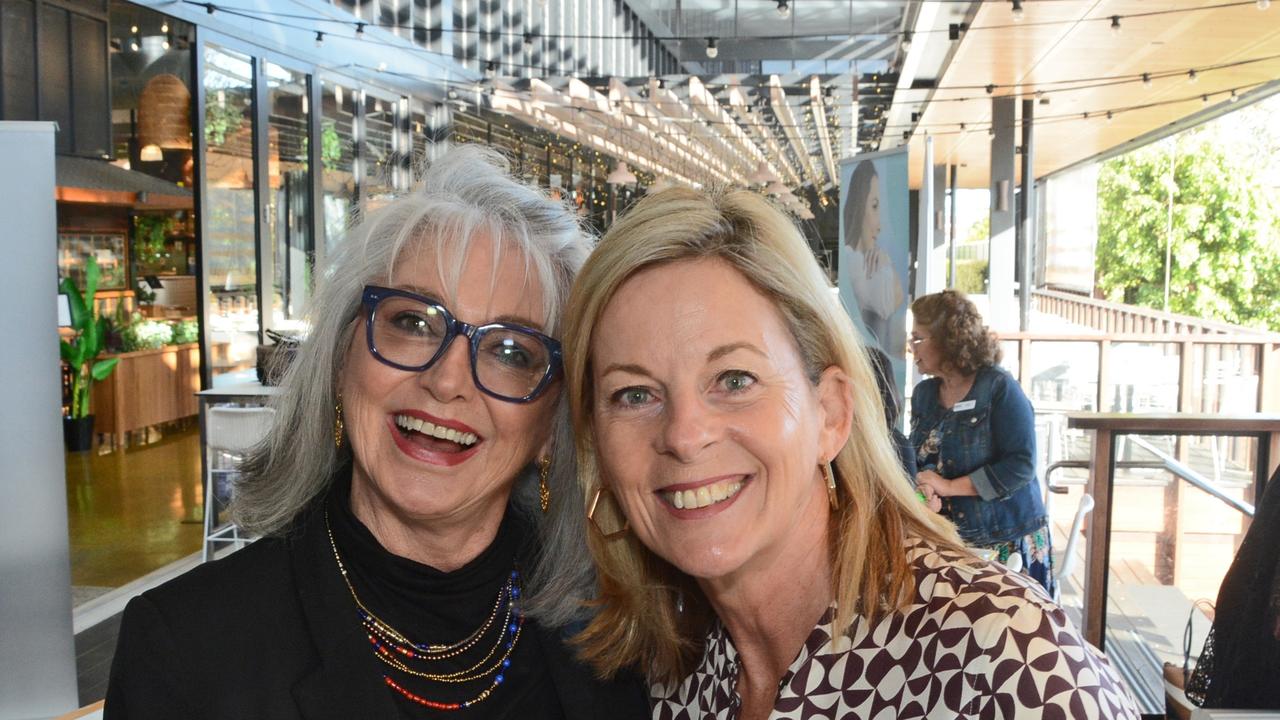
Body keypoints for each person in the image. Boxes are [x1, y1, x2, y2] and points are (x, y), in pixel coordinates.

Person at [104, 146, 647, 719]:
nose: (446, 381)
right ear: (342, 360)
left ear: (551, 427)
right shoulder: (185, 647)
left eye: (512, 351)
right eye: (413, 322)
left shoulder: (619, 635)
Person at [561, 187, 1139, 718]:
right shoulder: (671, 663)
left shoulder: (1007, 661)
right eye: (634, 394)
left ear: (832, 414)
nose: (685, 436)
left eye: (734, 380)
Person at [908, 289, 1053, 594]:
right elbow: (921, 461)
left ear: (947, 339)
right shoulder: (924, 395)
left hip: (1006, 540)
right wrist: (923, 492)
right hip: (950, 540)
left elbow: (1021, 465)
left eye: (918, 338)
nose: (911, 347)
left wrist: (948, 487)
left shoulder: (998, 388)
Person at [841, 160, 904, 352]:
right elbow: (888, 305)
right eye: (874, 206)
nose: (879, 224)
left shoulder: (858, 261)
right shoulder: (856, 262)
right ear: (860, 206)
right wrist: (886, 264)